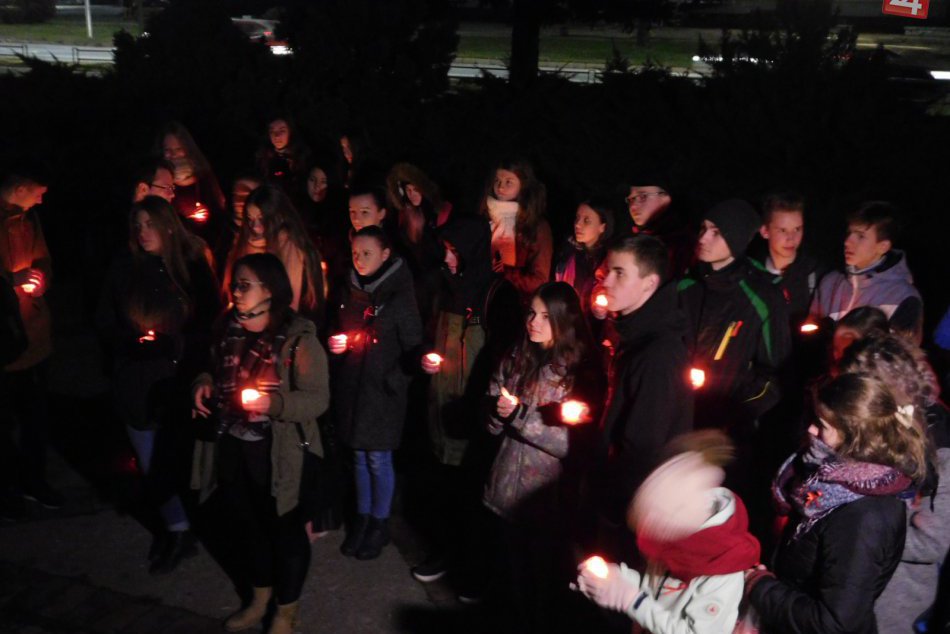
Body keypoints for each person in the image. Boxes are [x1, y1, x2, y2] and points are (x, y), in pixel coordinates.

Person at [191, 253, 329, 634]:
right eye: (234, 284)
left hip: (279, 453)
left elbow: (318, 399)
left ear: (270, 290)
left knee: (285, 532)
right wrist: (202, 383)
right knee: (247, 527)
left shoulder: (297, 340)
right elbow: (211, 367)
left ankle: (286, 611)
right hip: (233, 446)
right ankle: (259, 598)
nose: (235, 292)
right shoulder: (227, 326)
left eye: (244, 285)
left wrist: (276, 404)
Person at [747, 372, 927, 634]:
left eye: (821, 425)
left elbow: (835, 622)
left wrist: (760, 587)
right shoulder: (824, 480)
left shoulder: (864, 518)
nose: (811, 430)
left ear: (855, 438)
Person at [97, 196, 220, 574]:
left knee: (185, 459)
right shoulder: (124, 268)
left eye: (150, 224)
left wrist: (177, 347)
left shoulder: (191, 267)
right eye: (138, 225)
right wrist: (129, 344)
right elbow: (105, 320)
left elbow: (209, 323)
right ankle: (177, 528)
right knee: (151, 460)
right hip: (136, 381)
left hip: (179, 378)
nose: (143, 232)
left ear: (168, 225)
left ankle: (204, 522)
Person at [483, 281, 603, 633]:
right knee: (510, 576)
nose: (533, 322)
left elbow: (575, 444)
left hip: (546, 500)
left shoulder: (580, 374)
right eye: (532, 313)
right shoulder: (518, 356)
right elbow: (492, 408)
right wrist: (496, 412)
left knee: (542, 585)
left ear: (565, 320)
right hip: (506, 485)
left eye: (545, 316)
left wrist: (520, 416)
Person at [577, 431, 761, 634]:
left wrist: (633, 601)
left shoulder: (722, 572)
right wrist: (618, 578)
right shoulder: (677, 543)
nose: (655, 537)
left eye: (659, 525)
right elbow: (655, 586)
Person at [837, 333, 950, 634]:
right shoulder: (862, 432)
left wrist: (856, 529)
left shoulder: (940, 449)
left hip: (893, 605)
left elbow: (932, 542)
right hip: (844, 593)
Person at [328, 226, 423, 560]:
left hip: (382, 393)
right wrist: (336, 344)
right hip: (353, 387)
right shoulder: (349, 289)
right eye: (355, 253)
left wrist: (394, 381)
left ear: (385, 254)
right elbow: (336, 328)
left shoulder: (399, 295)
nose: (359, 259)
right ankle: (363, 519)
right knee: (358, 456)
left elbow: (413, 348)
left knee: (378, 459)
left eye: (367, 253)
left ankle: (379, 523)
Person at [410, 214, 494, 583]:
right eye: (445, 249)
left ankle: (473, 570)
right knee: (442, 488)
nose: (447, 258)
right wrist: (423, 357)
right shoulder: (441, 287)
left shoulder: (494, 295)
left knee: (470, 493)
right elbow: (425, 334)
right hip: (440, 404)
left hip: (472, 414)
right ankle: (443, 553)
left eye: (454, 251)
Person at [595, 235, 693, 542]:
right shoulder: (636, 337)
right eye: (607, 271)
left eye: (619, 273)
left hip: (632, 512)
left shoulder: (657, 355)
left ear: (649, 283)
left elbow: (643, 446)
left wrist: (612, 510)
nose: (606, 282)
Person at [678, 199, 791, 431]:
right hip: (677, 414)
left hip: (725, 427)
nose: (703, 238)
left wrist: (736, 414)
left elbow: (774, 373)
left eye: (716, 232)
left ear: (736, 239)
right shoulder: (686, 286)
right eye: (703, 229)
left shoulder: (762, 298)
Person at [0, 172, 63, 517]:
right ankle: (9, 487)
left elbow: (44, 261)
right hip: (5, 340)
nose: (41, 199)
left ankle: (34, 481)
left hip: (34, 336)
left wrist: (40, 280)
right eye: (39, 192)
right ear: (20, 188)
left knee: (36, 418)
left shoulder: (29, 220)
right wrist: (11, 280)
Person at [810, 201, 922, 340]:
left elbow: (902, 351)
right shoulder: (829, 284)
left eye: (860, 236)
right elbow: (812, 339)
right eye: (849, 233)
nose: (847, 242)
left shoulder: (902, 296)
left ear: (883, 246)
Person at [223, 185, 324, 327]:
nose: (255, 226)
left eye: (261, 219)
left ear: (277, 216)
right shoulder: (245, 242)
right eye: (250, 219)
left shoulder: (288, 244)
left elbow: (289, 300)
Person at [385, 163, 452, 329]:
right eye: (408, 190)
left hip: (437, 284)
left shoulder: (440, 213)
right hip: (411, 283)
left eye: (416, 189)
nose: (412, 194)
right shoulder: (402, 215)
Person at [479, 158, 552, 299]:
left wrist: (503, 273)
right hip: (479, 297)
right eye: (497, 181)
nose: (501, 187)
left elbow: (539, 280)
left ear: (523, 185)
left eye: (509, 182)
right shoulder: (484, 216)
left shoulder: (535, 225)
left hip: (514, 301)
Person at [751, 192, 824, 330]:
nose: (791, 238)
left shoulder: (817, 276)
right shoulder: (751, 276)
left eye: (797, 229)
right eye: (783, 230)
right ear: (765, 231)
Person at [155, 121, 226, 242]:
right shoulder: (158, 180)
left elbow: (218, 214)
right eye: (168, 150)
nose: (173, 154)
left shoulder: (203, 178)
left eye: (179, 149)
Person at [553, 198, 614, 316]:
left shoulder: (608, 262)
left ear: (602, 227)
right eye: (577, 218)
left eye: (587, 220)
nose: (577, 224)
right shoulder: (567, 253)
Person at [625, 172, 693, 278]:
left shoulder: (683, 245)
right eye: (631, 199)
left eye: (642, 196)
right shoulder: (630, 239)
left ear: (667, 198)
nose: (633, 206)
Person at [214, 173, 262, 278]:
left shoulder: (267, 238)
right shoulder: (224, 233)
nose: (239, 202)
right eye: (236, 195)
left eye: (247, 195)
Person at [257, 116, 311, 199]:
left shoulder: (302, 157)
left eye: (282, 131)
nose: (276, 136)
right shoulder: (264, 158)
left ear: (290, 132)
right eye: (272, 131)